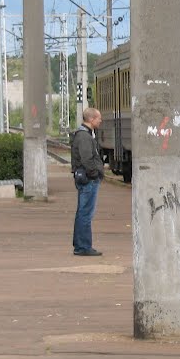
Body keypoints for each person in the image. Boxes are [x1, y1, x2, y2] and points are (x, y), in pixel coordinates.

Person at [71, 107, 104, 256]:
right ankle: (83, 246)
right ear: (91, 119)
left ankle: (80, 245)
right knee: (85, 214)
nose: (100, 121)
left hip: (86, 178)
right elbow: (87, 159)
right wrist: (95, 174)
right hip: (88, 179)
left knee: (82, 213)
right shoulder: (84, 137)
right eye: (98, 118)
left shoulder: (85, 134)